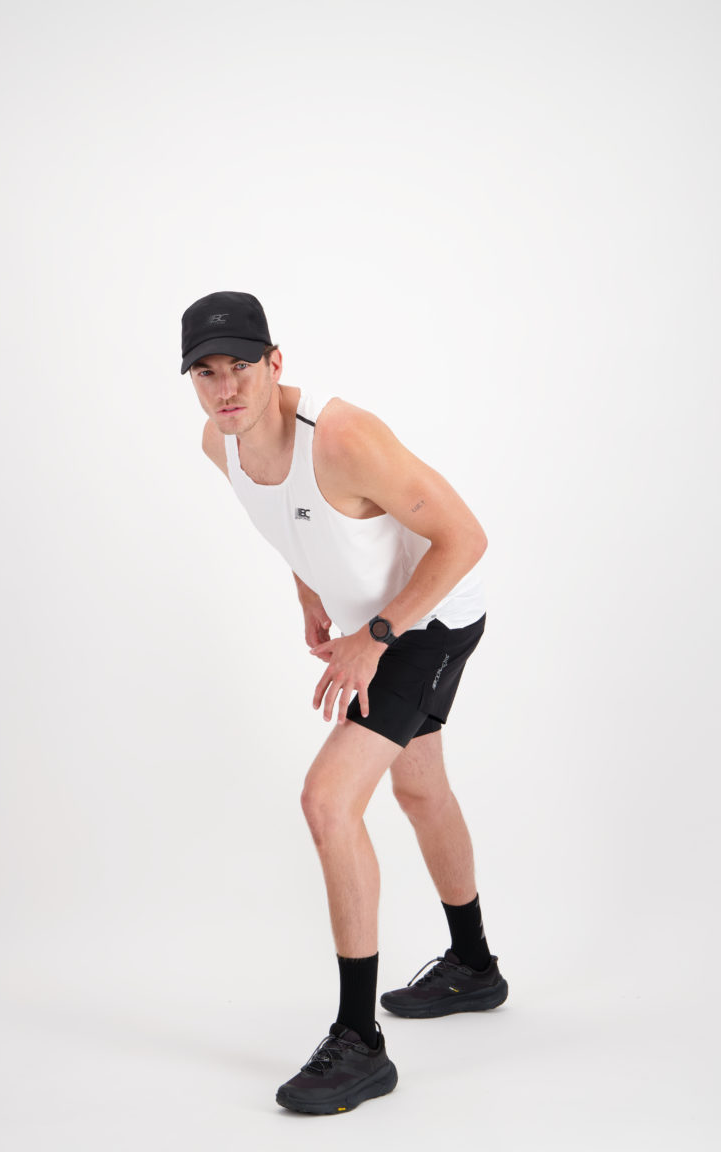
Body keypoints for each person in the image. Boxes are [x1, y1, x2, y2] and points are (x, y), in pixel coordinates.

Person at [180, 290, 508, 1115]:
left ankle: (360, 1043)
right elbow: (286, 524)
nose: (226, 388)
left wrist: (378, 636)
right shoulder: (221, 444)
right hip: (378, 622)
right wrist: (309, 594)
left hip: (430, 620)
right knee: (420, 789)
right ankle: (474, 967)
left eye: (241, 366)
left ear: (275, 363)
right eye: (206, 372)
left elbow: (466, 538)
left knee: (328, 801)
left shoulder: (343, 438)